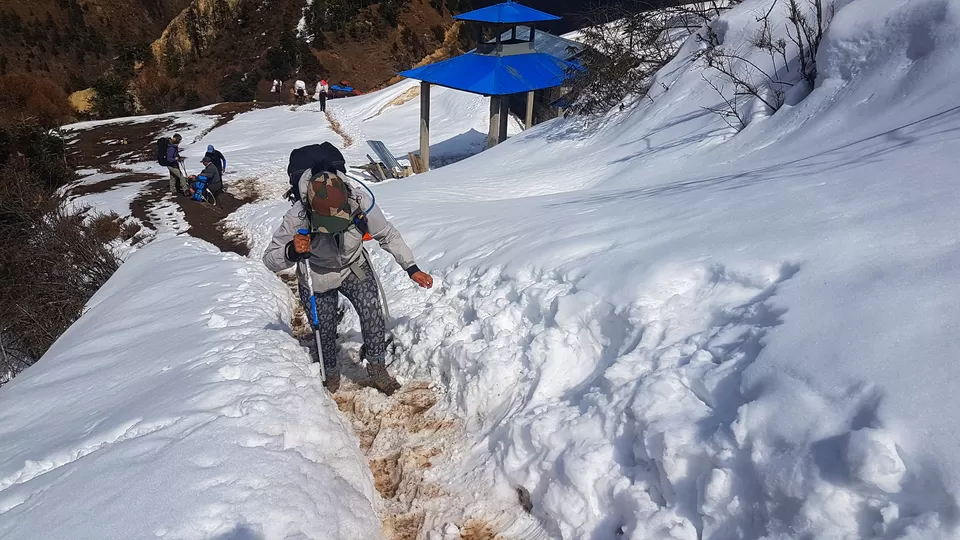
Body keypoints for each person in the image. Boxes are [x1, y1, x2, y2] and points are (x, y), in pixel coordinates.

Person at [262, 150, 433, 394]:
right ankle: (330, 372)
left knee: (372, 311)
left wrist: (411, 267)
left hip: (353, 266)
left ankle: (377, 366)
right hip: (317, 273)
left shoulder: (359, 202)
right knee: (324, 328)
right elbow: (269, 259)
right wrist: (291, 251)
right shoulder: (297, 216)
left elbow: (387, 234)